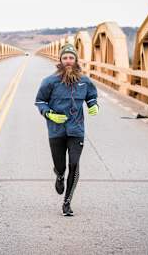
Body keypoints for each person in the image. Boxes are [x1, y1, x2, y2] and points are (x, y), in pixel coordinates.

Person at [35, 43, 99, 216]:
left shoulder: (84, 81)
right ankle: (59, 175)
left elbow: (92, 97)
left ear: (76, 60)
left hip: (76, 130)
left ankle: (67, 203)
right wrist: (49, 114)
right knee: (61, 166)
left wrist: (94, 105)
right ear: (60, 60)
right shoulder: (49, 81)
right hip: (56, 130)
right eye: (65, 58)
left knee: (74, 164)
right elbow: (40, 101)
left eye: (71, 58)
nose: (68, 61)